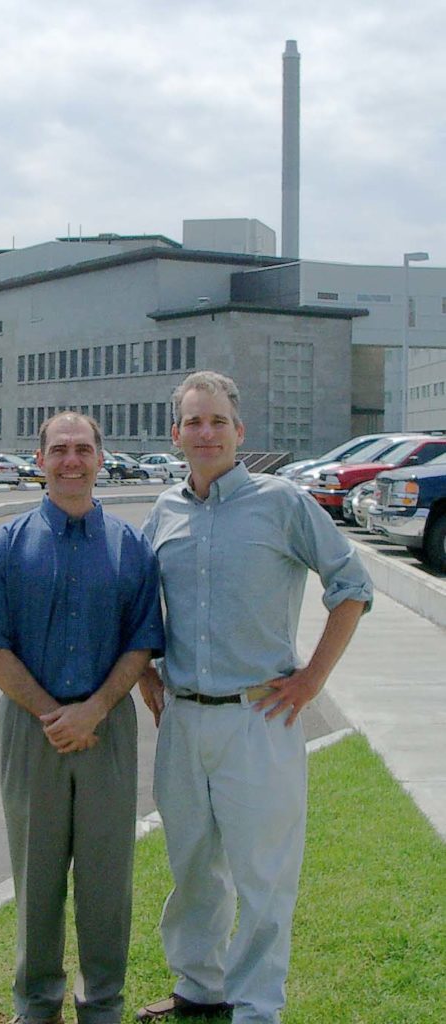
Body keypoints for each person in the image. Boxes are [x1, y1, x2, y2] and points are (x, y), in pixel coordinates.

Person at [136, 372, 373, 1024]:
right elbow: (136, 607)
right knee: (192, 867)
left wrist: (312, 680)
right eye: (193, 421)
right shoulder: (163, 512)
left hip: (260, 719)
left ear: (238, 433)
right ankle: (198, 991)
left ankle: (254, 1008)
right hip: (183, 720)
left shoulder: (282, 503)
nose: (204, 432)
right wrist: (145, 678)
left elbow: (350, 586)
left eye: (217, 421)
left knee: (264, 877)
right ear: (176, 434)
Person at [0, 412, 165, 1024]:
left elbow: (142, 641)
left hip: (108, 728)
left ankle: (103, 1002)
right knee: (36, 871)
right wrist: (53, 714)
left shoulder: (131, 547)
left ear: (101, 457)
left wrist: (94, 709)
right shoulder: (6, 545)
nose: (71, 460)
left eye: (83, 449)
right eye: (59, 450)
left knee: (107, 876)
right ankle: (36, 1002)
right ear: (40, 460)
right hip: (29, 728)